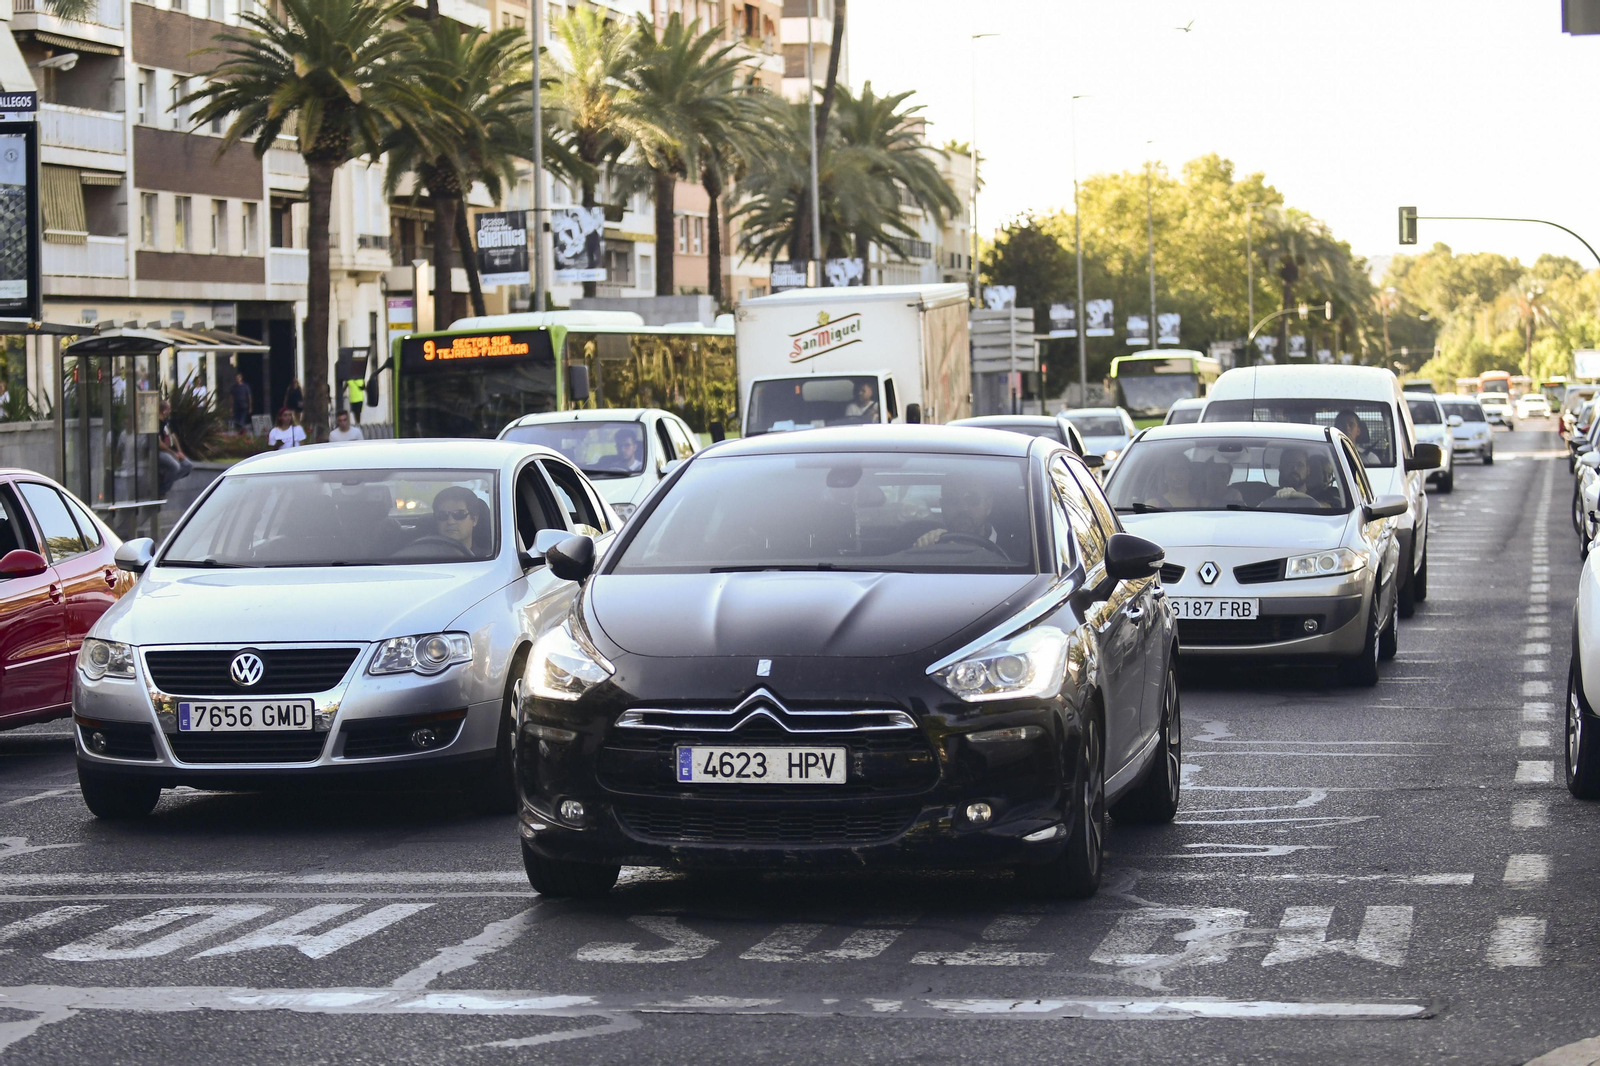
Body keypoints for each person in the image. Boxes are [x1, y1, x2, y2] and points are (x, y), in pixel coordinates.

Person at [915, 477, 998, 548]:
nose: (963, 508)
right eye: (952, 500)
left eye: (972, 499)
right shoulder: (930, 545)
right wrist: (926, 548)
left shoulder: (1009, 551)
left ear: (988, 506)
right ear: (942, 505)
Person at [432, 485, 487, 556]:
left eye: (459, 514)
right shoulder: (423, 556)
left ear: (474, 519)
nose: (450, 522)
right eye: (443, 515)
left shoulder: (488, 558)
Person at [156, 399, 192, 494]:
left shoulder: (167, 422)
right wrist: (173, 453)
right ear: (164, 411)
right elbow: (159, 443)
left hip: (171, 451)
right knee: (175, 466)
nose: (170, 411)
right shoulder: (157, 423)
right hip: (162, 452)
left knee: (188, 465)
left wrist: (179, 452)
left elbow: (173, 436)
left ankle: (166, 479)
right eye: (169, 409)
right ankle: (161, 491)